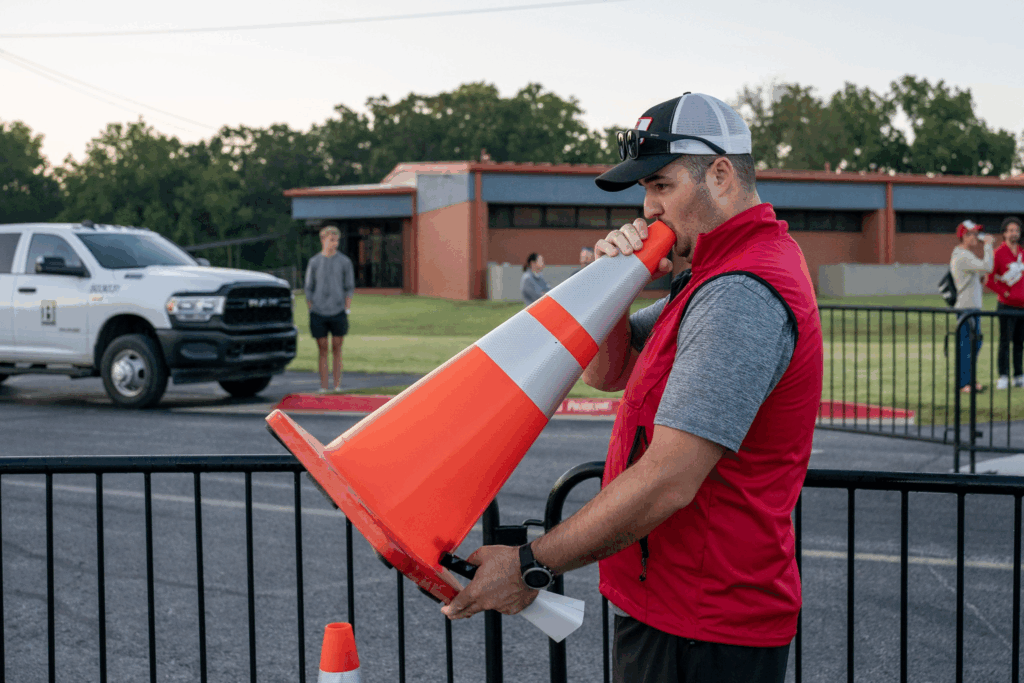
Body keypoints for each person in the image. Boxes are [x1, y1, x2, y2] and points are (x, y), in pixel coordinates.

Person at [442, 93, 823, 683]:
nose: (648, 209)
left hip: (703, 624)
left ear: (721, 175)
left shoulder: (739, 291)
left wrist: (529, 565)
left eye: (662, 185)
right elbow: (606, 372)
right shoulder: (712, 274)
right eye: (646, 189)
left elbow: (669, 479)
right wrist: (613, 282)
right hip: (676, 608)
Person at [304, 225, 355, 393]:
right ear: (323, 240)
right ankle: (324, 386)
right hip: (318, 312)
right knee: (323, 348)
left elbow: (349, 286)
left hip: (338, 311)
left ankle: (337, 385)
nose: (335, 243)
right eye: (331, 240)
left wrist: (347, 307)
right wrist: (311, 307)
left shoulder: (345, 262)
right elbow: (308, 287)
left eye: (337, 240)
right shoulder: (314, 262)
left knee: (337, 348)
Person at [950, 219, 994, 394]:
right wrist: (988, 246)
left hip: (972, 306)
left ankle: (969, 379)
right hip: (966, 307)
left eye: (977, 234)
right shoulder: (963, 255)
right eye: (972, 234)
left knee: (974, 344)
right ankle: (964, 383)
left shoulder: (966, 254)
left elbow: (981, 272)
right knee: (967, 346)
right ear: (964, 236)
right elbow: (988, 267)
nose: (976, 237)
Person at [986, 216, 1024, 389]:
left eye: (1016, 230)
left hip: (1022, 306)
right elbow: (989, 280)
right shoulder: (998, 253)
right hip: (1006, 305)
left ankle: (1018, 375)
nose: (1014, 233)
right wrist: (1004, 292)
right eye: (1010, 230)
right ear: (1004, 233)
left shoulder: (1022, 253)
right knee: (1005, 342)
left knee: (1019, 343)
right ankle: (1003, 376)